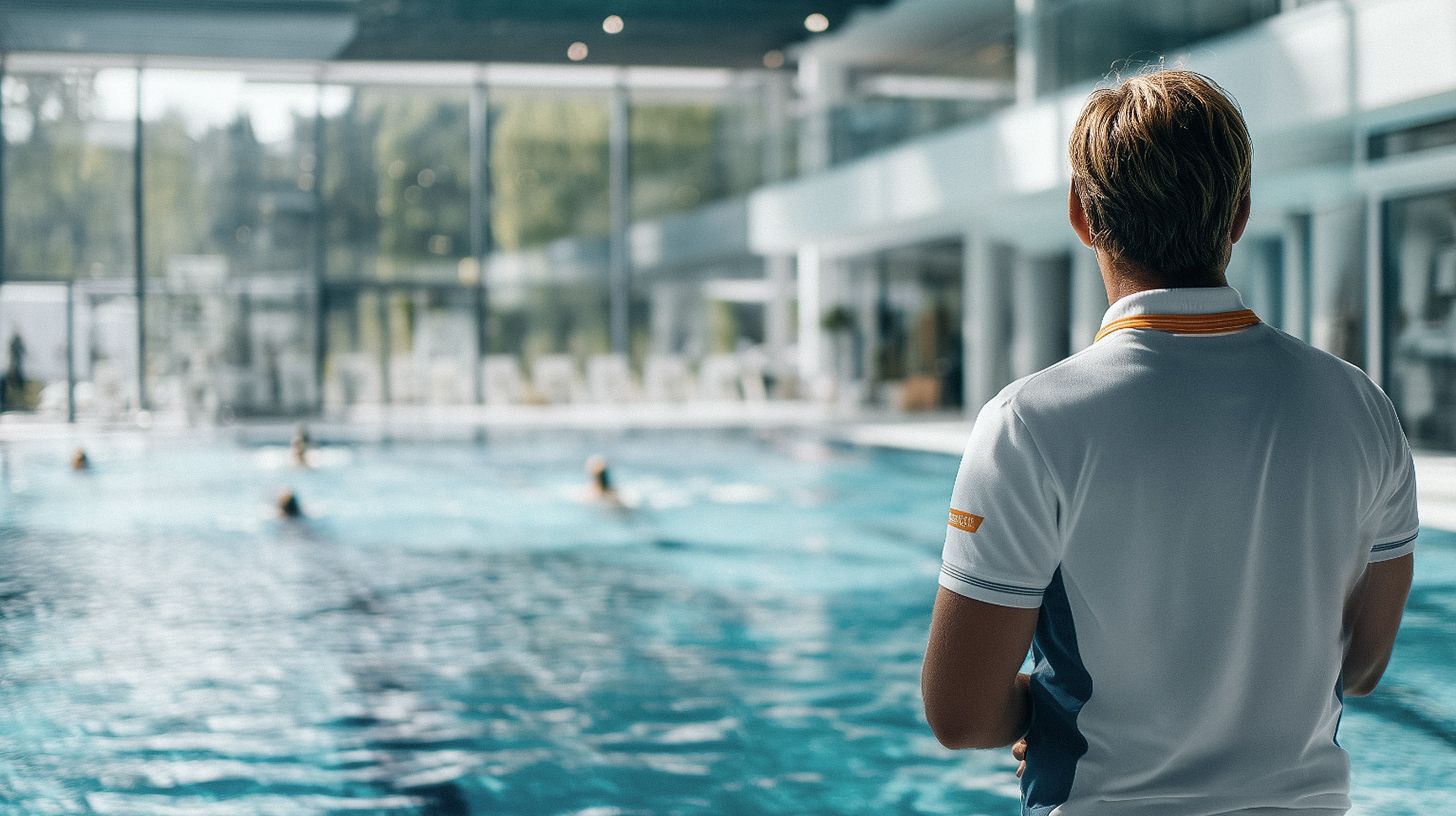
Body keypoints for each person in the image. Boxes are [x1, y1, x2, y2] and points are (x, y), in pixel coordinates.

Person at [920, 70, 1417, 816]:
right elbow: (1364, 662)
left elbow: (959, 714)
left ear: (1081, 216)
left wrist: (1046, 712)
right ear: (1240, 215)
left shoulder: (1029, 423)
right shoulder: (1359, 406)